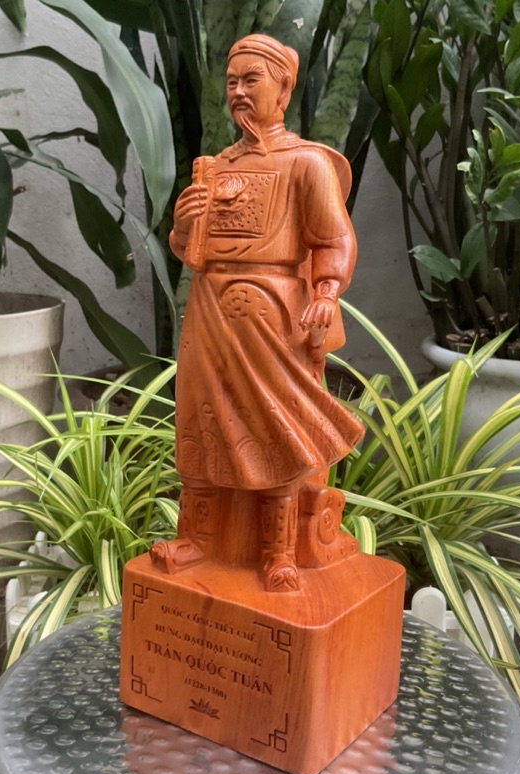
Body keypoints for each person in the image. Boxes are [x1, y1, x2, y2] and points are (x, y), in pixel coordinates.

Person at [150, 33, 364, 592]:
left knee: (275, 429)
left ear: (284, 90)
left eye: (252, 80)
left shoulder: (305, 164)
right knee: (201, 421)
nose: (239, 92)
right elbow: (190, 251)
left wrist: (326, 291)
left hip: (273, 315)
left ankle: (279, 552)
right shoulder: (216, 166)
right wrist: (183, 223)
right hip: (209, 311)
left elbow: (334, 238)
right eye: (232, 82)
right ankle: (197, 539)